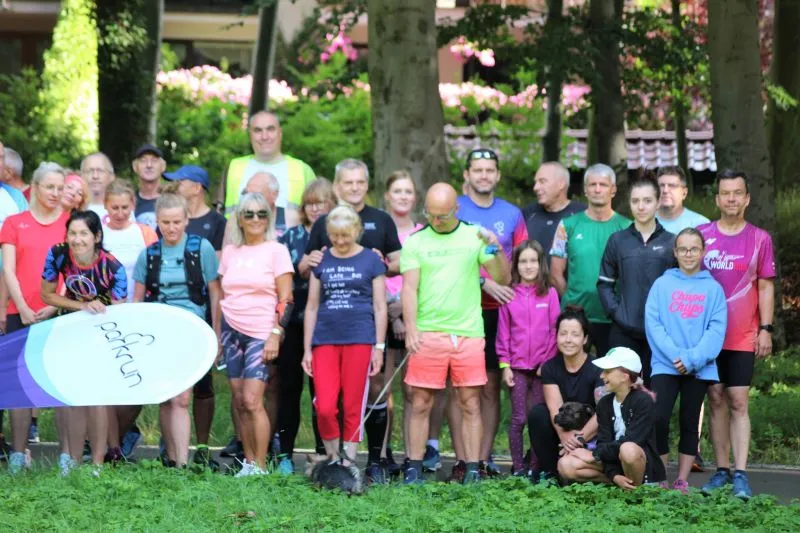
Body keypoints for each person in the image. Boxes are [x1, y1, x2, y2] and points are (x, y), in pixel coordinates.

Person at [300, 159, 401, 483]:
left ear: (356, 232)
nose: (340, 241)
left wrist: (379, 347)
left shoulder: (372, 254)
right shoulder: (323, 252)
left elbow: (381, 304)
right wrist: (307, 349)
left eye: (345, 235)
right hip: (325, 338)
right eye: (335, 236)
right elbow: (311, 303)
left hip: (360, 336)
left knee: (356, 402)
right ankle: (332, 459)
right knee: (325, 405)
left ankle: (351, 462)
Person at [401, 183, 510, 485]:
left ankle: (472, 469)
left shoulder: (475, 236)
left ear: (456, 209)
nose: (436, 221)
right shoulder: (416, 242)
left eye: (443, 216)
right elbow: (409, 289)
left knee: (470, 402)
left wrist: (495, 247)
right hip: (428, 333)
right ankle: (414, 467)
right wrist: (411, 329)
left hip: (467, 333)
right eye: (431, 215)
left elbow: (502, 277)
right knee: (420, 402)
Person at [698, 170, 775, 500]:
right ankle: (721, 470)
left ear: (747, 198)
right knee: (715, 399)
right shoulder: (702, 236)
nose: (731, 198)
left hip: (743, 334)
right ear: (717, 199)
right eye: (725, 193)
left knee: (739, 401)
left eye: (737, 193)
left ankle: (741, 474)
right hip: (708, 337)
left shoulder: (760, 239)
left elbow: (766, 286)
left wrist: (766, 329)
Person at [132, 193, 221, 467]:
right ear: (157, 222)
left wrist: (216, 334)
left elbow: (215, 294)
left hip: (191, 328)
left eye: (177, 222)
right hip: (159, 330)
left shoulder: (201, 249)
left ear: (186, 220)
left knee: (182, 397)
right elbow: (137, 300)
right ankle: (170, 459)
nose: (171, 228)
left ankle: (182, 462)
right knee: (167, 396)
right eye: (166, 222)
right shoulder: (149, 255)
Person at [455, 148, 528, 478]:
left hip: (500, 313)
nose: (483, 175)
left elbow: (524, 261)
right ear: (466, 175)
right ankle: (462, 460)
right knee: (460, 388)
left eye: (489, 170)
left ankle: (482, 461)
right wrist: (484, 283)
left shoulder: (512, 214)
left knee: (490, 387)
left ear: (497, 175)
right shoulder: (454, 209)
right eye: (477, 170)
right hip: (461, 308)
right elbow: (444, 257)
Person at [40, 210, 128, 473]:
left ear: (97, 237)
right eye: (72, 233)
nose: (77, 239)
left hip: (103, 329)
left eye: (83, 234)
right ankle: (74, 461)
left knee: (97, 394)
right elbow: (47, 295)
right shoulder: (57, 254)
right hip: (71, 327)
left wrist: (97, 308)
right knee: (74, 394)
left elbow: (120, 309)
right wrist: (82, 306)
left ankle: (98, 464)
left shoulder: (113, 267)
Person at [217, 192, 294, 476]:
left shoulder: (277, 251)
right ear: (239, 218)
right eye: (248, 213)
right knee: (239, 400)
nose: (255, 219)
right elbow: (222, 294)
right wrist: (218, 336)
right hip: (231, 330)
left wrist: (276, 333)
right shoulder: (230, 252)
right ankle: (248, 463)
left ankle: (260, 466)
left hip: (261, 331)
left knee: (252, 400)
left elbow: (286, 299)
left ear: (269, 218)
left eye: (261, 213)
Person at [645, 227, 727, 493]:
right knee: (658, 418)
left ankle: (681, 480)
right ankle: (660, 476)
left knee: (690, 422)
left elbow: (716, 330)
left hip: (699, 367)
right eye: (683, 249)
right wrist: (676, 356)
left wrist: (691, 359)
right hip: (665, 364)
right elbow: (654, 325)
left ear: (702, 252)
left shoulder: (713, 289)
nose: (688, 254)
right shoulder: (662, 285)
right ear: (675, 252)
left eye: (694, 249)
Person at [0, 161, 69, 474]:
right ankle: (18, 453)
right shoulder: (14, 223)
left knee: (59, 381)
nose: (55, 193)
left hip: (58, 312)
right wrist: (20, 307)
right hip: (20, 312)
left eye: (60, 188)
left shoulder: (69, 224)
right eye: (49, 187)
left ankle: (67, 456)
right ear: (35, 188)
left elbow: (72, 270)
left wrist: (54, 305)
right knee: (20, 385)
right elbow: (8, 269)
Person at [163, 164, 227, 466]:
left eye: (181, 181)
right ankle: (172, 450)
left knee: (202, 385)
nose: (175, 186)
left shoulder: (216, 222)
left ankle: (201, 446)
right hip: (170, 321)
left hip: (200, 315)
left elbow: (217, 278)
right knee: (173, 390)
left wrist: (216, 328)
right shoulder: (167, 221)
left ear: (197, 187)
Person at [275, 178, 336, 474]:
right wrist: (303, 264)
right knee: (288, 389)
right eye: (310, 203)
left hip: (327, 325)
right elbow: (283, 275)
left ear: (331, 205)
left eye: (321, 203)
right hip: (294, 324)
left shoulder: (340, 234)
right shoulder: (291, 236)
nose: (315, 209)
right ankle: (285, 454)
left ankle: (325, 454)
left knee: (322, 394)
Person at [597, 174, 675, 385]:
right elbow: (604, 284)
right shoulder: (618, 240)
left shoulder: (671, 242)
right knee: (623, 392)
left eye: (647, 201)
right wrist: (617, 313)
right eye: (635, 201)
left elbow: (679, 289)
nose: (641, 207)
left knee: (654, 395)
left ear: (658, 202)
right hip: (624, 332)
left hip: (660, 334)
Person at [101, 179, 158, 459]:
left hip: (138, 316)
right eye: (115, 207)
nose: (120, 213)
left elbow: (155, 270)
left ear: (133, 205)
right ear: (105, 206)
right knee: (109, 384)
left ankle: (124, 434)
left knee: (137, 384)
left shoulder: (144, 233)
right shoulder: (99, 233)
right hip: (104, 316)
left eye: (125, 207)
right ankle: (111, 447)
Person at [550, 164, 631, 357]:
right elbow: (555, 273)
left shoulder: (628, 228)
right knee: (572, 372)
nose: (597, 189)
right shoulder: (567, 225)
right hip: (575, 318)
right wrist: (572, 301)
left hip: (613, 318)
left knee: (611, 373)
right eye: (592, 184)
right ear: (585, 190)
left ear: (613, 190)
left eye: (603, 184)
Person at [558, 347, 666, 488]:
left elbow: (633, 441)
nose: (602, 376)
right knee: (565, 464)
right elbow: (604, 442)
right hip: (614, 461)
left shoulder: (643, 401)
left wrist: (595, 455)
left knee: (628, 449)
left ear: (624, 376)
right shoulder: (604, 403)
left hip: (638, 462)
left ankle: (637, 491)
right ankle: (620, 483)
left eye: (607, 371)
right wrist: (614, 475)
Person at [497, 240, 559, 475]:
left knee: (538, 419)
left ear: (541, 263)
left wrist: (547, 362)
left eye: (533, 260)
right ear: (516, 265)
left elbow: (554, 330)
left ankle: (535, 467)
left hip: (543, 369)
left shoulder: (550, 293)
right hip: (517, 368)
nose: (529, 266)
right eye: (523, 261)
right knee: (519, 419)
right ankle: (518, 468)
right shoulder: (509, 295)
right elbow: (503, 334)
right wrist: (505, 365)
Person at [525, 306, 604, 482]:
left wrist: (579, 439)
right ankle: (551, 475)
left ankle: (603, 475)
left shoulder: (598, 368)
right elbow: (555, 409)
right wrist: (566, 437)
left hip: (593, 432)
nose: (568, 340)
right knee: (538, 414)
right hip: (564, 430)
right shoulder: (550, 367)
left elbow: (603, 411)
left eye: (575, 334)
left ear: (585, 339)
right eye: (563, 334)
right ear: (556, 337)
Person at [382, 171, 426, 474]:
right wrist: (391, 311)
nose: (403, 196)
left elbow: (427, 276)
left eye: (408, 191)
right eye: (397, 191)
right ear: (387, 195)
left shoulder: (423, 233)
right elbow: (375, 271)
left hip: (415, 317)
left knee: (414, 391)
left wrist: (403, 313)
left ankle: (413, 456)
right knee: (384, 389)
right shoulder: (378, 227)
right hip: (383, 316)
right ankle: (383, 452)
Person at [219, 110, 315, 216]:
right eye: (258, 130)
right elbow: (218, 214)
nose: (264, 136)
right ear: (250, 135)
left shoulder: (302, 170)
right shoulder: (233, 168)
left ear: (280, 133)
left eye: (270, 129)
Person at [522, 162, 586, 259]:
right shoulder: (528, 214)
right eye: (536, 182)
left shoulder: (582, 214)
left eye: (542, 181)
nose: (535, 187)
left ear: (561, 184)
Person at [656, 166, 709, 233]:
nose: (665, 190)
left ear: (684, 193)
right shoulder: (645, 221)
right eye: (661, 185)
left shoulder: (700, 224)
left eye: (672, 186)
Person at [132, 144, 166, 230]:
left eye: (154, 160)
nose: (149, 165)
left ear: (163, 166)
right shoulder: (128, 202)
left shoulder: (174, 200)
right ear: (135, 167)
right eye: (143, 161)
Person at [243, 172, 287, 236]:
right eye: (246, 195)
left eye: (257, 195)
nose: (250, 199)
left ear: (274, 194)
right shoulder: (237, 217)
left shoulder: (290, 218)